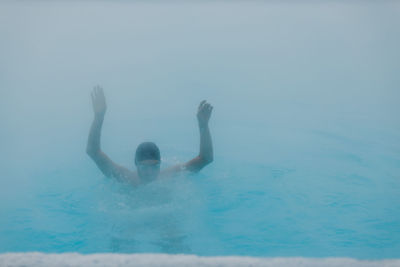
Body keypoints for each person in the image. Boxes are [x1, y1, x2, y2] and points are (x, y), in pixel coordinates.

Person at [86, 86, 214, 186]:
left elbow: (206, 159)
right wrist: (99, 117)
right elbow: (93, 152)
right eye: (144, 167)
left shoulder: (170, 176)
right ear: (136, 164)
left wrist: (203, 125)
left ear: (160, 164)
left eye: (154, 167)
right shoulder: (125, 179)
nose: (149, 173)